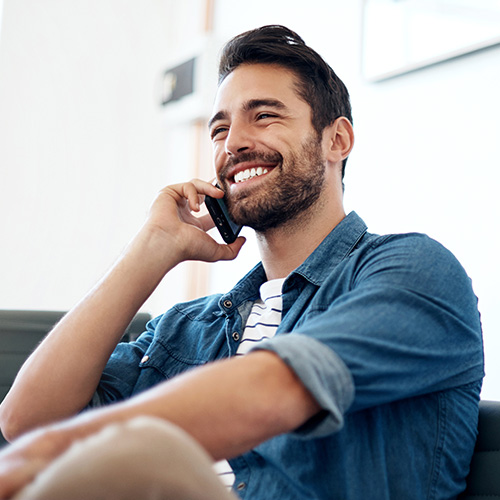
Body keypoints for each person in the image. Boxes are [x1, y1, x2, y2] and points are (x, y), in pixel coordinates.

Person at [0, 25, 484, 500]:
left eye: (264, 116)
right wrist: (149, 250)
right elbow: (25, 421)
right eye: (219, 128)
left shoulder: (415, 272)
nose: (233, 143)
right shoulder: (185, 329)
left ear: (336, 140)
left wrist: (54, 453)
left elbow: (275, 388)